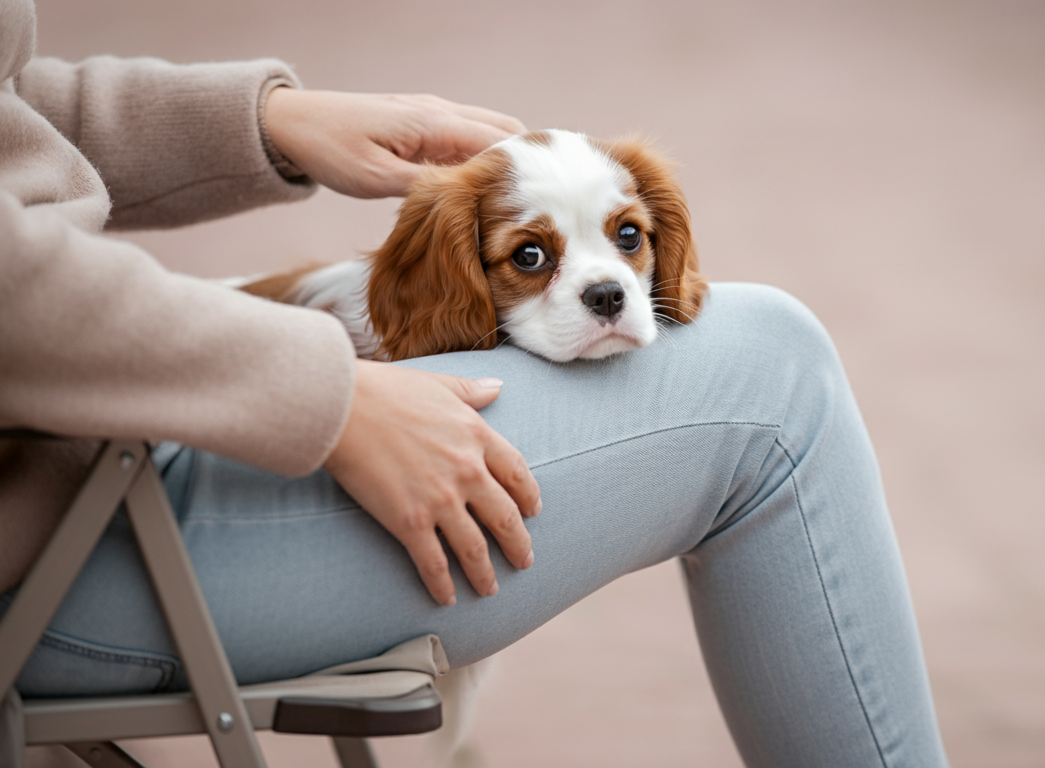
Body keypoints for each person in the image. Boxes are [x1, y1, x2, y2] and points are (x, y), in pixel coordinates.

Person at [0, 0, 947, 764]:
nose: (609, 281)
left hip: (93, 468)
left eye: (627, 240)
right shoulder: (417, 289)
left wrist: (270, 118)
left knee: (769, 348)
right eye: (530, 256)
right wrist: (329, 394)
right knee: (776, 371)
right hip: (61, 536)